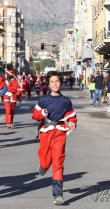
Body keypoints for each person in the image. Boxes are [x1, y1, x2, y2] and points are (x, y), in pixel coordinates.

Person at [32, 71, 77, 205]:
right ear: (48, 84)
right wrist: (41, 113)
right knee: (46, 159)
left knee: (58, 161)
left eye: (57, 81)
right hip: (47, 131)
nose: (55, 84)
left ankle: (58, 194)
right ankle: (44, 166)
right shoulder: (43, 100)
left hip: (60, 133)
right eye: (52, 82)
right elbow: (35, 115)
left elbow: (71, 115)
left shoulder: (66, 101)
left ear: (61, 83)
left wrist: (72, 122)